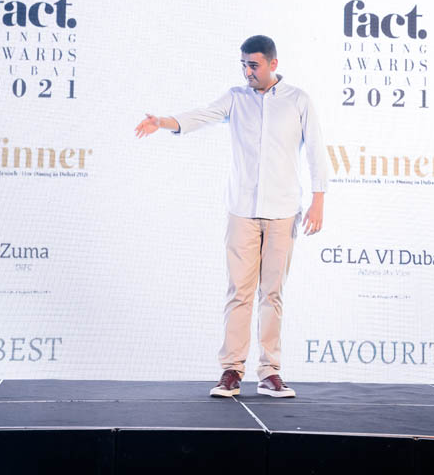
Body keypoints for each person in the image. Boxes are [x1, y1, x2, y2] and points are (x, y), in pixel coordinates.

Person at [135, 35, 328, 398]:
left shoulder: (298, 100)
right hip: (242, 211)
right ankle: (231, 371)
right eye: (243, 65)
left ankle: (270, 372)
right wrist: (163, 121)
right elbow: (202, 115)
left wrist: (319, 200)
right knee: (239, 291)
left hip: (283, 212)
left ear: (272, 63)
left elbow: (317, 150)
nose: (247, 72)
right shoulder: (235, 98)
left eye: (253, 65)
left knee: (272, 294)